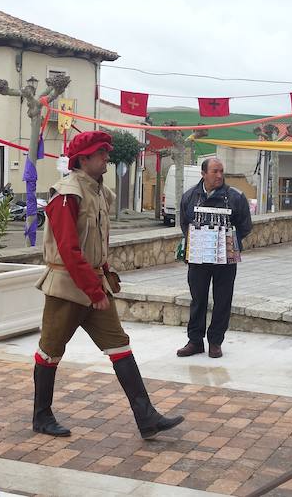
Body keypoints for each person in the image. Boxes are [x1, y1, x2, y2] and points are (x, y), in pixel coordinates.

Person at [33, 131, 183, 440]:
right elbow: (68, 248)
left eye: (105, 153)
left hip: (94, 285)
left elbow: (97, 241)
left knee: (120, 345)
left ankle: (147, 417)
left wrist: (103, 276)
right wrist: (92, 289)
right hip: (66, 287)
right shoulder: (67, 194)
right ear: (83, 159)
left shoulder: (100, 192)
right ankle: (41, 416)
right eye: (101, 154)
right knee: (50, 353)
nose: (106, 159)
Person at [176, 158, 252, 359]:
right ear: (203, 173)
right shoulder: (190, 196)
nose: (219, 176)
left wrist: (225, 241)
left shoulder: (236, 197)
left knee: (223, 300)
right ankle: (195, 341)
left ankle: (215, 342)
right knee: (197, 299)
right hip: (198, 259)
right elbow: (185, 223)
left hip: (225, 260)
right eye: (214, 171)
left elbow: (245, 226)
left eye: (221, 171)